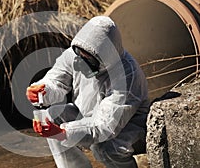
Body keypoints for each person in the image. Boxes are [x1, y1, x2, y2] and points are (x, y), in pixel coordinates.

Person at [26, 16, 149, 168]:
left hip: (127, 127)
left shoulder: (127, 76)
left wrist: (64, 133)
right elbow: (56, 80)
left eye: (89, 59)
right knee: (52, 116)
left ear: (106, 58)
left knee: (107, 149)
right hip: (88, 115)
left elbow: (105, 126)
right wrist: (44, 90)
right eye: (79, 54)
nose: (80, 61)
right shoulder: (77, 53)